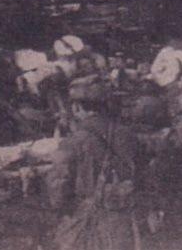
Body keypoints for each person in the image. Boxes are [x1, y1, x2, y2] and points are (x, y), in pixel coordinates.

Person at [46, 75, 142, 250]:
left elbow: (58, 190)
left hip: (88, 224)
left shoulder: (73, 142)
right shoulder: (129, 135)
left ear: (76, 107)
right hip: (125, 223)